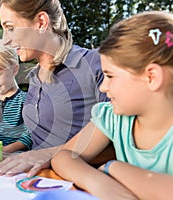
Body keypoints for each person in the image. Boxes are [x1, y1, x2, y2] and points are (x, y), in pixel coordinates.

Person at [51, 11, 173, 200]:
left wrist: (115, 168)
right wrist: (97, 181)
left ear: (152, 77)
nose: (103, 87)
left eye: (110, 76)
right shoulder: (113, 117)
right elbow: (64, 156)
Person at [0, 0, 108, 177]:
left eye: (10, 28)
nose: (5, 40)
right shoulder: (34, 77)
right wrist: (5, 152)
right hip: (34, 180)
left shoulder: (95, 64)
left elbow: (122, 145)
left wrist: (50, 154)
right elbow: (40, 137)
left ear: (41, 22)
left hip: (81, 184)